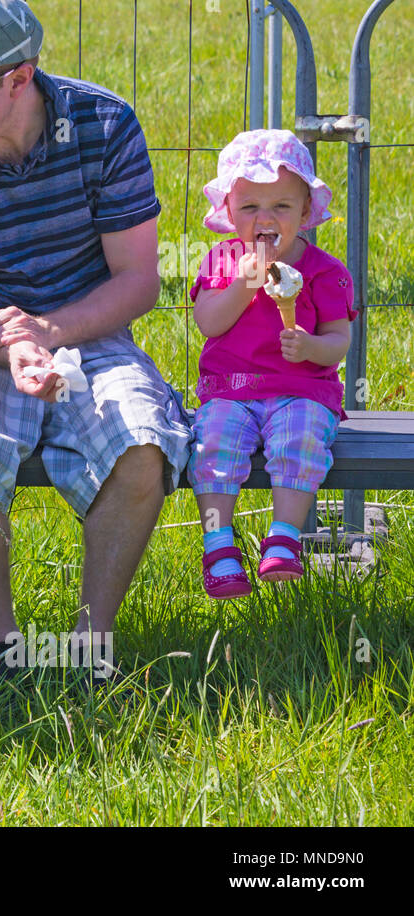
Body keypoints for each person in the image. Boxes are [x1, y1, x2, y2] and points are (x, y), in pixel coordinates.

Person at [0, 0, 192, 682]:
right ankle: (4, 649)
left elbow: (137, 281)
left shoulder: (104, 124)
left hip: (89, 328)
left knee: (141, 445)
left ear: (18, 78)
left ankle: (90, 647)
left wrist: (50, 331)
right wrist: (17, 346)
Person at [188, 129, 354, 597]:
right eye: (250, 208)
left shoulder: (325, 272)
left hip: (303, 390)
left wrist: (311, 347)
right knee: (212, 447)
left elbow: (339, 340)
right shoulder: (222, 262)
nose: (265, 219)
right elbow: (209, 324)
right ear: (228, 213)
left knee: (301, 442)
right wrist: (243, 284)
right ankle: (218, 545)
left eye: (281, 206)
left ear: (305, 212)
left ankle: (285, 536)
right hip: (231, 389)